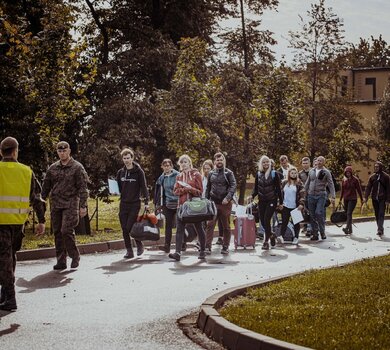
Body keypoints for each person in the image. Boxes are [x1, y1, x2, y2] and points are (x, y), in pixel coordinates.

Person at [0, 137, 46, 311]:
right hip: (18, 224)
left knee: (4, 259)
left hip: (1, 223)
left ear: (1, 152)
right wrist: (41, 221)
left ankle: (10, 298)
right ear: (15, 151)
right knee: (10, 257)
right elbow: (36, 198)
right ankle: (5, 295)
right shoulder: (26, 171)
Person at [42, 141, 89, 270]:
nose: (62, 153)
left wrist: (83, 205)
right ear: (57, 152)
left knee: (66, 230)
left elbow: (83, 188)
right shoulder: (53, 168)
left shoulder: (77, 167)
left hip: (71, 204)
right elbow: (46, 186)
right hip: (56, 204)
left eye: (64, 150)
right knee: (57, 232)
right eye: (59, 151)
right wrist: (41, 200)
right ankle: (61, 260)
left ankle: (75, 256)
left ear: (69, 151)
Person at [168, 154, 206, 261]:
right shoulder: (179, 176)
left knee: (199, 227)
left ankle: (202, 251)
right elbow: (175, 191)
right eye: (181, 162)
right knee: (179, 229)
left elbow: (199, 192)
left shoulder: (196, 174)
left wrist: (190, 189)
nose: (183, 164)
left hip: (194, 206)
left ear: (189, 163)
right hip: (181, 207)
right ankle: (178, 253)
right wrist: (184, 190)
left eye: (185, 162)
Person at [116, 148, 149, 259]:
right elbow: (119, 188)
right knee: (124, 228)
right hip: (124, 203)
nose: (126, 160)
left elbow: (144, 187)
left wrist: (146, 202)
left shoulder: (139, 171)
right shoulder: (120, 172)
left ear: (132, 158)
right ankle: (129, 251)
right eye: (124, 158)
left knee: (129, 226)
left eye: (128, 158)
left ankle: (139, 244)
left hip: (135, 203)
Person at [205, 152, 237, 255]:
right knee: (210, 224)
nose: (219, 161)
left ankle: (225, 246)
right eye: (217, 160)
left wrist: (228, 198)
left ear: (224, 161)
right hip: (214, 202)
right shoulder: (211, 173)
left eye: (221, 159)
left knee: (226, 226)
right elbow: (208, 188)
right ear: (215, 161)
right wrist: (207, 200)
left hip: (225, 203)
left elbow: (233, 186)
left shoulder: (229, 173)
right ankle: (207, 247)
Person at [249, 155, 283, 250]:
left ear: (270, 163)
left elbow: (279, 189)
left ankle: (265, 242)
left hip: (271, 200)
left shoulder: (274, 174)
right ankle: (272, 235)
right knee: (263, 221)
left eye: (267, 162)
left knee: (267, 220)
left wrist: (281, 202)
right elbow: (256, 188)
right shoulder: (258, 174)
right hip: (262, 200)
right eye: (264, 162)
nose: (265, 164)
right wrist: (252, 195)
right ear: (261, 163)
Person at [304, 156, 335, 241]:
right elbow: (307, 183)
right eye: (318, 160)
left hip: (321, 195)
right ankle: (315, 234)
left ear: (324, 162)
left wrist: (333, 196)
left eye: (321, 161)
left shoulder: (326, 172)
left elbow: (331, 184)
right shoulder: (311, 171)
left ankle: (322, 231)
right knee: (312, 215)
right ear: (316, 161)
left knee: (318, 213)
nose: (319, 162)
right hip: (311, 196)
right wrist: (304, 194)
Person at [154, 159, 179, 253]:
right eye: (165, 166)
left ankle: (182, 244)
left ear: (172, 166)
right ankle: (167, 246)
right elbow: (158, 191)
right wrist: (158, 204)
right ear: (162, 167)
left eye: (168, 165)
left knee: (180, 225)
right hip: (167, 204)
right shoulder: (161, 178)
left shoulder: (177, 175)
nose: (167, 167)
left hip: (178, 203)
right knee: (168, 225)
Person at [279, 167, 305, 245]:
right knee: (284, 222)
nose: (293, 174)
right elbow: (279, 194)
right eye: (292, 173)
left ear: (297, 174)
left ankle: (296, 237)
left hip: (295, 207)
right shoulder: (284, 183)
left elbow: (302, 195)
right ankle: (281, 236)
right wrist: (279, 203)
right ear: (289, 174)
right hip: (285, 206)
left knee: (296, 223)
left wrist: (301, 204)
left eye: (295, 173)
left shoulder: (299, 183)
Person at [363, 161, 390, 236]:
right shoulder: (372, 177)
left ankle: (380, 229)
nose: (376, 168)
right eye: (375, 167)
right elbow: (368, 188)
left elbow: (388, 189)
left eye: (377, 167)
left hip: (383, 198)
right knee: (377, 214)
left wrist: (388, 200)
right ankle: (380, 228)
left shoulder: (386, 177)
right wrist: (365, 197)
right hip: (374, 199)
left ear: (380, 167)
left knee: (381, 214)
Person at [339, 166, 363, 235]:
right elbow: (342, 191)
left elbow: (359, 190)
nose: (348, 174)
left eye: (349, 172)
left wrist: (361, 199)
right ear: (345, 173)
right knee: (348, 214)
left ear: (351, 172)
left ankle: (347, 228)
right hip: (346, 199)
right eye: (347, 172)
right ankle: (350, 230)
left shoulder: (355, 180)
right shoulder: (344, 180)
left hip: (353, 199)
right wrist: (340, 199)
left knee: (349, 213)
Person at [299, 156, 312, 236]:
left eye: (306, 163)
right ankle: (305, 225)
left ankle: (310, 228)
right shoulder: (300, 173)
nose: (305, 165)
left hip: (312, 194)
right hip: (304, 194)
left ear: (309, 163)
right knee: (304, 211)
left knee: (311, 211)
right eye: (303, 163)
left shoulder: (313, 171)